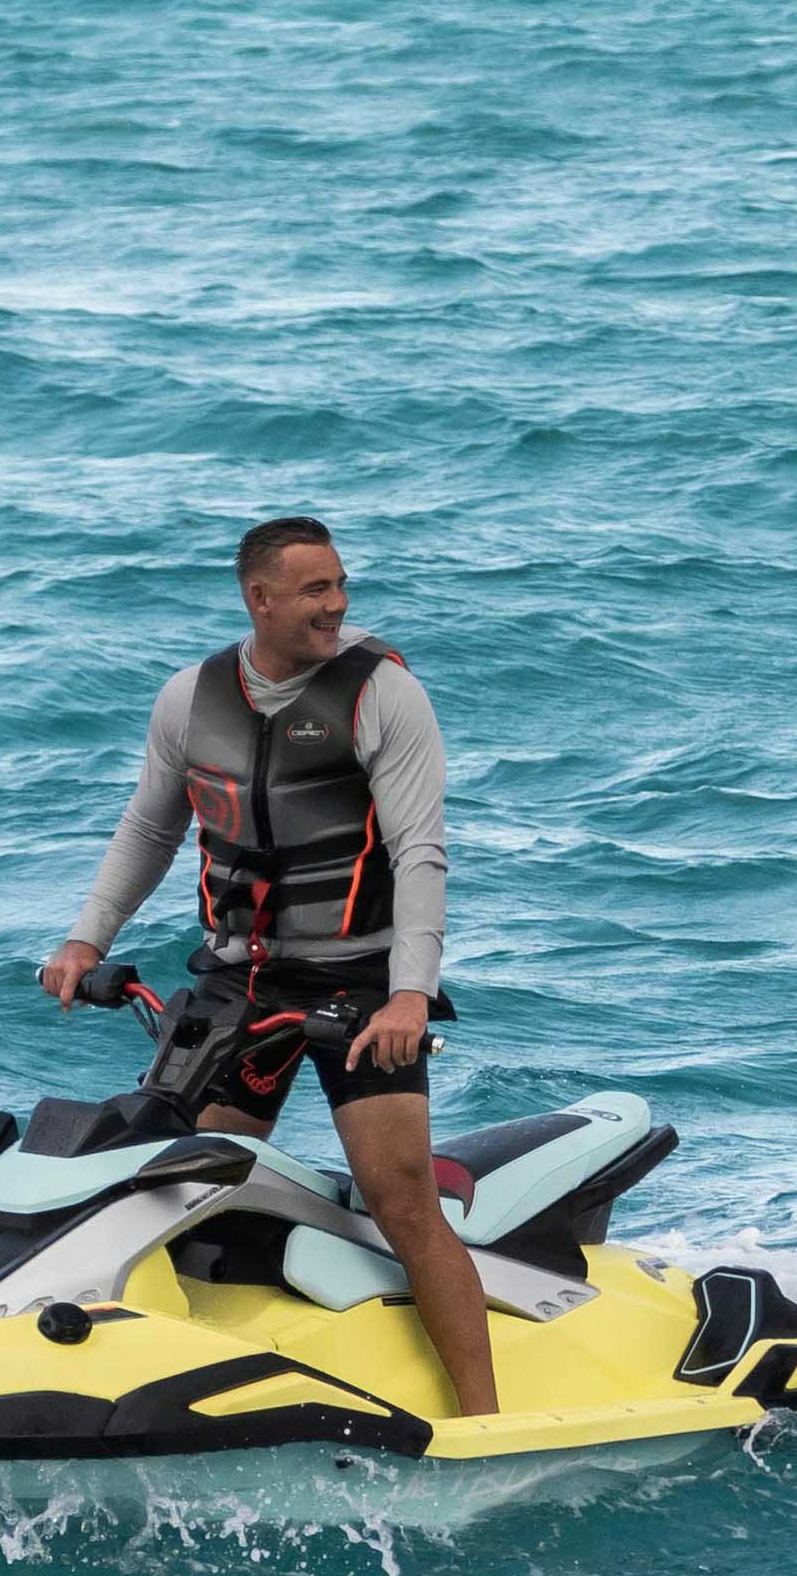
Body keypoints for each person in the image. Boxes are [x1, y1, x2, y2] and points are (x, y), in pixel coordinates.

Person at [36, 515, 503, 1417]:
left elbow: (419, 852)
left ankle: (485, 1419)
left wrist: (409, 993)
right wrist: (86, 938)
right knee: (173, 1184)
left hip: (362, 984)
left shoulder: (382, 694)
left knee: (401, 1199)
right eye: (315, 590)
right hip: (238, 979)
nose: (338, 604)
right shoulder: (191, 698)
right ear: (260, 599)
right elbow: (148, 827)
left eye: (339, 585)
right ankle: (160, 1392)